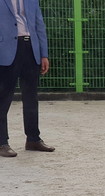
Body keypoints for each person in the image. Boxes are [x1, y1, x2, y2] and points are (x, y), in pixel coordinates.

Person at [0, 0, 55, 158]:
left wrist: (44, 54)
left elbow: (39, 25)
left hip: (31, 49)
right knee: (3, 97)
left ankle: (33, 139)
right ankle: (2, 142)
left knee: (31, 97)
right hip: (6, 51)